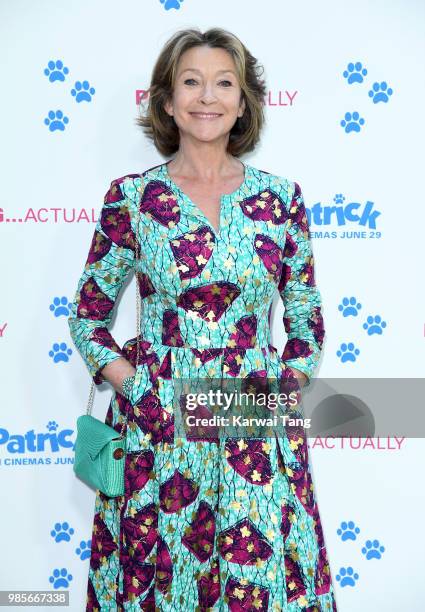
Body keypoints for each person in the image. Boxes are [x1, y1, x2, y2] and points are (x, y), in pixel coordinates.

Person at [68, 27, 337, 612]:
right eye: (191, 82)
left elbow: (307, 320)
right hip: (159, 426)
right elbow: (88, 318)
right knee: (169, 581)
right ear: (167, 101)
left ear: (244, 102)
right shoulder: (132, 200)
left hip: (253, 426)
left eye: (224, 83)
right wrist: (136, 386)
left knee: (256, 583)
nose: (207, 96)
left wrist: (279, 392)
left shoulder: (281, 199)